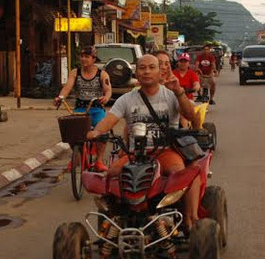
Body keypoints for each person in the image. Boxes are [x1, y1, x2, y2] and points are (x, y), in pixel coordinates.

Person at [87, 54, 204, 228]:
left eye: (151, 67)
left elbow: (190, 115)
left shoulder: (171, 95)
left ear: (160, 72)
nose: (147, 71)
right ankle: (112, 220)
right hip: (134, 155)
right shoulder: (126, 99)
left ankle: (189, 218)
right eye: (142, 68)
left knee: (180, 174)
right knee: (112, 174)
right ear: (136, 73)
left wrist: (179, 92)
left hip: (165, 151)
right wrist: (96, 132)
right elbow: (109, 120)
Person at [55, 46, 112, 171]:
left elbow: (108, 89)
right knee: (70, 131)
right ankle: (78, 154)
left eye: (87, 56)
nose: (83, 59)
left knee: (103, 133)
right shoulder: (75, 72)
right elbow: (67, 87)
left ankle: (99, 160)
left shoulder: (102, 74)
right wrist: (60, 97)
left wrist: (106, 97)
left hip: (96, 108)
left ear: (94, 59)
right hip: (80, 109)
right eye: (82, 56)